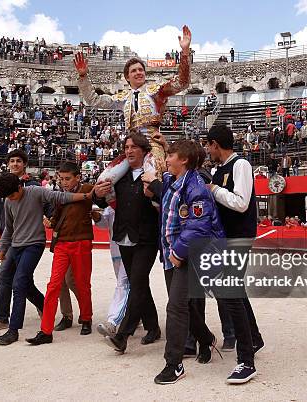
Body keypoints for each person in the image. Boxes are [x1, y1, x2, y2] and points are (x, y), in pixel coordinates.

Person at [75, 25, 191, 200]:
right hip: (131, 145)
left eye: (141, 70)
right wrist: (83, 77)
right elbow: (94, 100)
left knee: (151, 183)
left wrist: (184, 52)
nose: (139, 73)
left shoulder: (156, 90)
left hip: (153, 143)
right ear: (127, 77)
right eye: (134, 71)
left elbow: (182, 82)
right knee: (103, 181)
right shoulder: (123, 97)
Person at [142, 140, 224, 385]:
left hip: (187, 254)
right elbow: (160, 185)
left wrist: (178, 251)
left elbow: (199, 227)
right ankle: (206, 338)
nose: (167, 159)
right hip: (172, 254)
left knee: (175, 307)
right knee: (185, 306)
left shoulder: (197, 187)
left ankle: (173, 364)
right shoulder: (173, 181)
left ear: (184, 159)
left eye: (171, 155)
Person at [0, 173, 91, 345]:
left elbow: (59, 197)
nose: (11, 199)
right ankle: (45, 310)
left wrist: (85, 196)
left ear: (19, 187)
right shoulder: (9, 201)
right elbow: (9, 227)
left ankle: (13, 330)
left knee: (19, 283)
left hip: (34, 244)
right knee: (18, 281)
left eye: (12, 195)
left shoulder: (36, 192)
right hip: (16, 246)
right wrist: (3, 247)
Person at [93, 133, 162, 353]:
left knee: (138, 282)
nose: (129, 151)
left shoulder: (153, 175)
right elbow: (102, 199)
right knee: (138, 282)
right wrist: (96, 195)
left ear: (143, 150)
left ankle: (123, 335)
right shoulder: (119, 177)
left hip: (146, 238)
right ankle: (152, 327)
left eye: (133, 147)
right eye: (126, 147)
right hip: (124, 235)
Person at [205, 125, 264, 384]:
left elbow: (241, 203)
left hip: (238, 236)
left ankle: (246, 361)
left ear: (216, 144)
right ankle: (254, 339)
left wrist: (214, 191)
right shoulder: (221, 169)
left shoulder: (240, 165)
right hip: (227, 238)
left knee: (229, 292)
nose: (208, 150)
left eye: (209, 145)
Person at [0, 150, 52, 332]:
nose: (15, 164)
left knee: (7, 276)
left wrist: (49, 218)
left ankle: (1, 317)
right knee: (21, 280)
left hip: (27, 239)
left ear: (25, 164)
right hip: (11, 239)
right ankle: (43, 305)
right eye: (11, 161)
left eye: (18, 161)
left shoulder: (32, 186)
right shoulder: (2, 185)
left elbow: (49, 205)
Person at [27, 162, 94, 345]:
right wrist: (50, 223)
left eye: (67, 179)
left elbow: (103, 199)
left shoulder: (88, 189)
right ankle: (46, 330)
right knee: (54, 284)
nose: (64, 183)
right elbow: (57, 219)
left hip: (81, 242)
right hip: (64, 243)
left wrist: (96, 214)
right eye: (61, 179)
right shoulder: (59, 196)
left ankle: (86, 318)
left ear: (77, 177)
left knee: (82, 284)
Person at [93, 206, 130, 337]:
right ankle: (139, 315)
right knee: (132, 286)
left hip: (131, 249)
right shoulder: (110, 207)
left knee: (123, 284)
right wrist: (96, 217)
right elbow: (103, 225)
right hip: (115, 251)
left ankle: (112, 321)